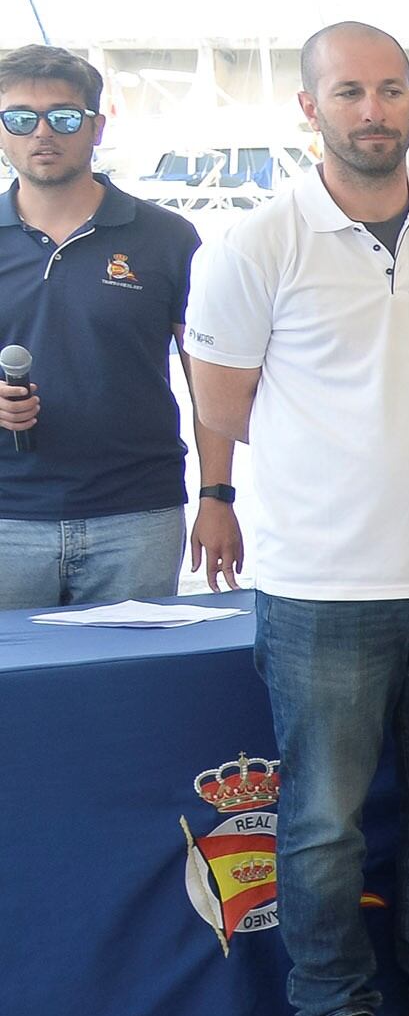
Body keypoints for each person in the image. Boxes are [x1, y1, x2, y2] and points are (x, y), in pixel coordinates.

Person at [184, 22, 409, 1016]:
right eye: (348, 92)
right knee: (323, 821)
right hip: (323, 590)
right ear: (310, 107)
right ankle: (333, 1008)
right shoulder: (257, 244)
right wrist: (268, 480)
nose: (372, 111)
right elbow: (221, 405)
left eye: (390, 89)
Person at [0, 42, 237, 607]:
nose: (42, 133)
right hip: (7, 519)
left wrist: (217, 496)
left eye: (63, 117)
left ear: (97, 127)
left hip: (137, 517)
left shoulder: (167, 238)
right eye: (20, 118)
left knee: (134, 668)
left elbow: (211, 383)